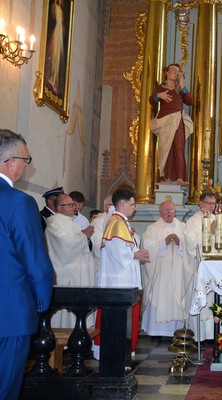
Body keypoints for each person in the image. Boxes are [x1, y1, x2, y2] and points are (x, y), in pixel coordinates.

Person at [0, 129, 54, 400]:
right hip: (9, 313)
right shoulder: (19, 202)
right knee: (5, 387)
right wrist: (42, 301)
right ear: (10, 163)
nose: (25, 164)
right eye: (25, 158)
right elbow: (36, 260)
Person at [93, 187, 150, 360]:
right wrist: (135, 254)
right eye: (132, 204)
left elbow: (124, 245)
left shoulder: (120, 221)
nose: (134, 208)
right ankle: (114, 351)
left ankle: (121, 350)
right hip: (118, 281)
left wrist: (134, 248)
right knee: (117, 318)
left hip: (123, 279)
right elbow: (117, 252)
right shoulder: (116, 222)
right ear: (123, 204)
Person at [141, 200, 191, 340]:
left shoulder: (183, 227)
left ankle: (179, 330)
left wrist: (180, 242)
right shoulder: (153, 228)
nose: (169, 213)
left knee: (178, 297)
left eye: (171, 210)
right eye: (165, 210)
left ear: (175, 212)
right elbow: (147, 246)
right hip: (160, 273)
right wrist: (164, 243)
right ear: (160, 212)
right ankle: (156, 332)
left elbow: (191, 245)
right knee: (159, 296)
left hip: (178, 272)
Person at [45, 194, 96, 329]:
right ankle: (66, 342)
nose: (74, 207)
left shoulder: (69, 223)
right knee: (68, 314)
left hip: (78, 274)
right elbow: (66, 245)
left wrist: (84, 237)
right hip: (68, 275)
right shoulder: (55, 223)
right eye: (71, 205)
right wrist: (83, 236)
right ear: (60, 207)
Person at [149, 63, 194, 184]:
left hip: (177, 120)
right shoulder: (161, 87)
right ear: (167, 73)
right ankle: (165, 177)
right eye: (173, 70)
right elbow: (151, 101)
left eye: (177, 71)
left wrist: (182, 85)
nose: (175, 72)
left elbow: (190, 101)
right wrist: (159, 95)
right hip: (164, 121)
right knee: (165, 148)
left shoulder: (180, 89)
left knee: (178, 148)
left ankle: (180, 177)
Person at [183, 192, 218, 341]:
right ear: (200, 203)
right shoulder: (193, 221)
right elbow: (191, 243)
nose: (211, 207)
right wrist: (209, 232)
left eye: (213, 204)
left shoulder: (215, 219)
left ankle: (212, 334)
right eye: (209, 203)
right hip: (198, 268)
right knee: (201, 299)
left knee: (212, 300)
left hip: (214, 266)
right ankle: (199, 336)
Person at [45, 0, 65, 95]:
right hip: (57, 31)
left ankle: (55, 79)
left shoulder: (60, 9)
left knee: (57, 56)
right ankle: (52, 76)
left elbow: (62, 21)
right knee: (54, 54)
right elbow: (53, 16)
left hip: (60, 31)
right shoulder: (55, 7)